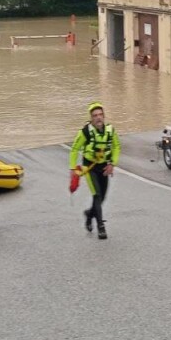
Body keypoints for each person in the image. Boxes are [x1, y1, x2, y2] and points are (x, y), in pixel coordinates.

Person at [69, 102, 120, 240]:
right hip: (89, 167)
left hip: (104, 167)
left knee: (102, 197)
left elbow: (116, 147)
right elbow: (74, 149)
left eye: (100, 115)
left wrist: (112, 164)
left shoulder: (110, 131)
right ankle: (101, 227)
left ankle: (89, 214)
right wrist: (73, 168)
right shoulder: (85, 132)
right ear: (91, 118)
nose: (98, 118)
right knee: (97, 195)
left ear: (104, 116)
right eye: (95, 116)